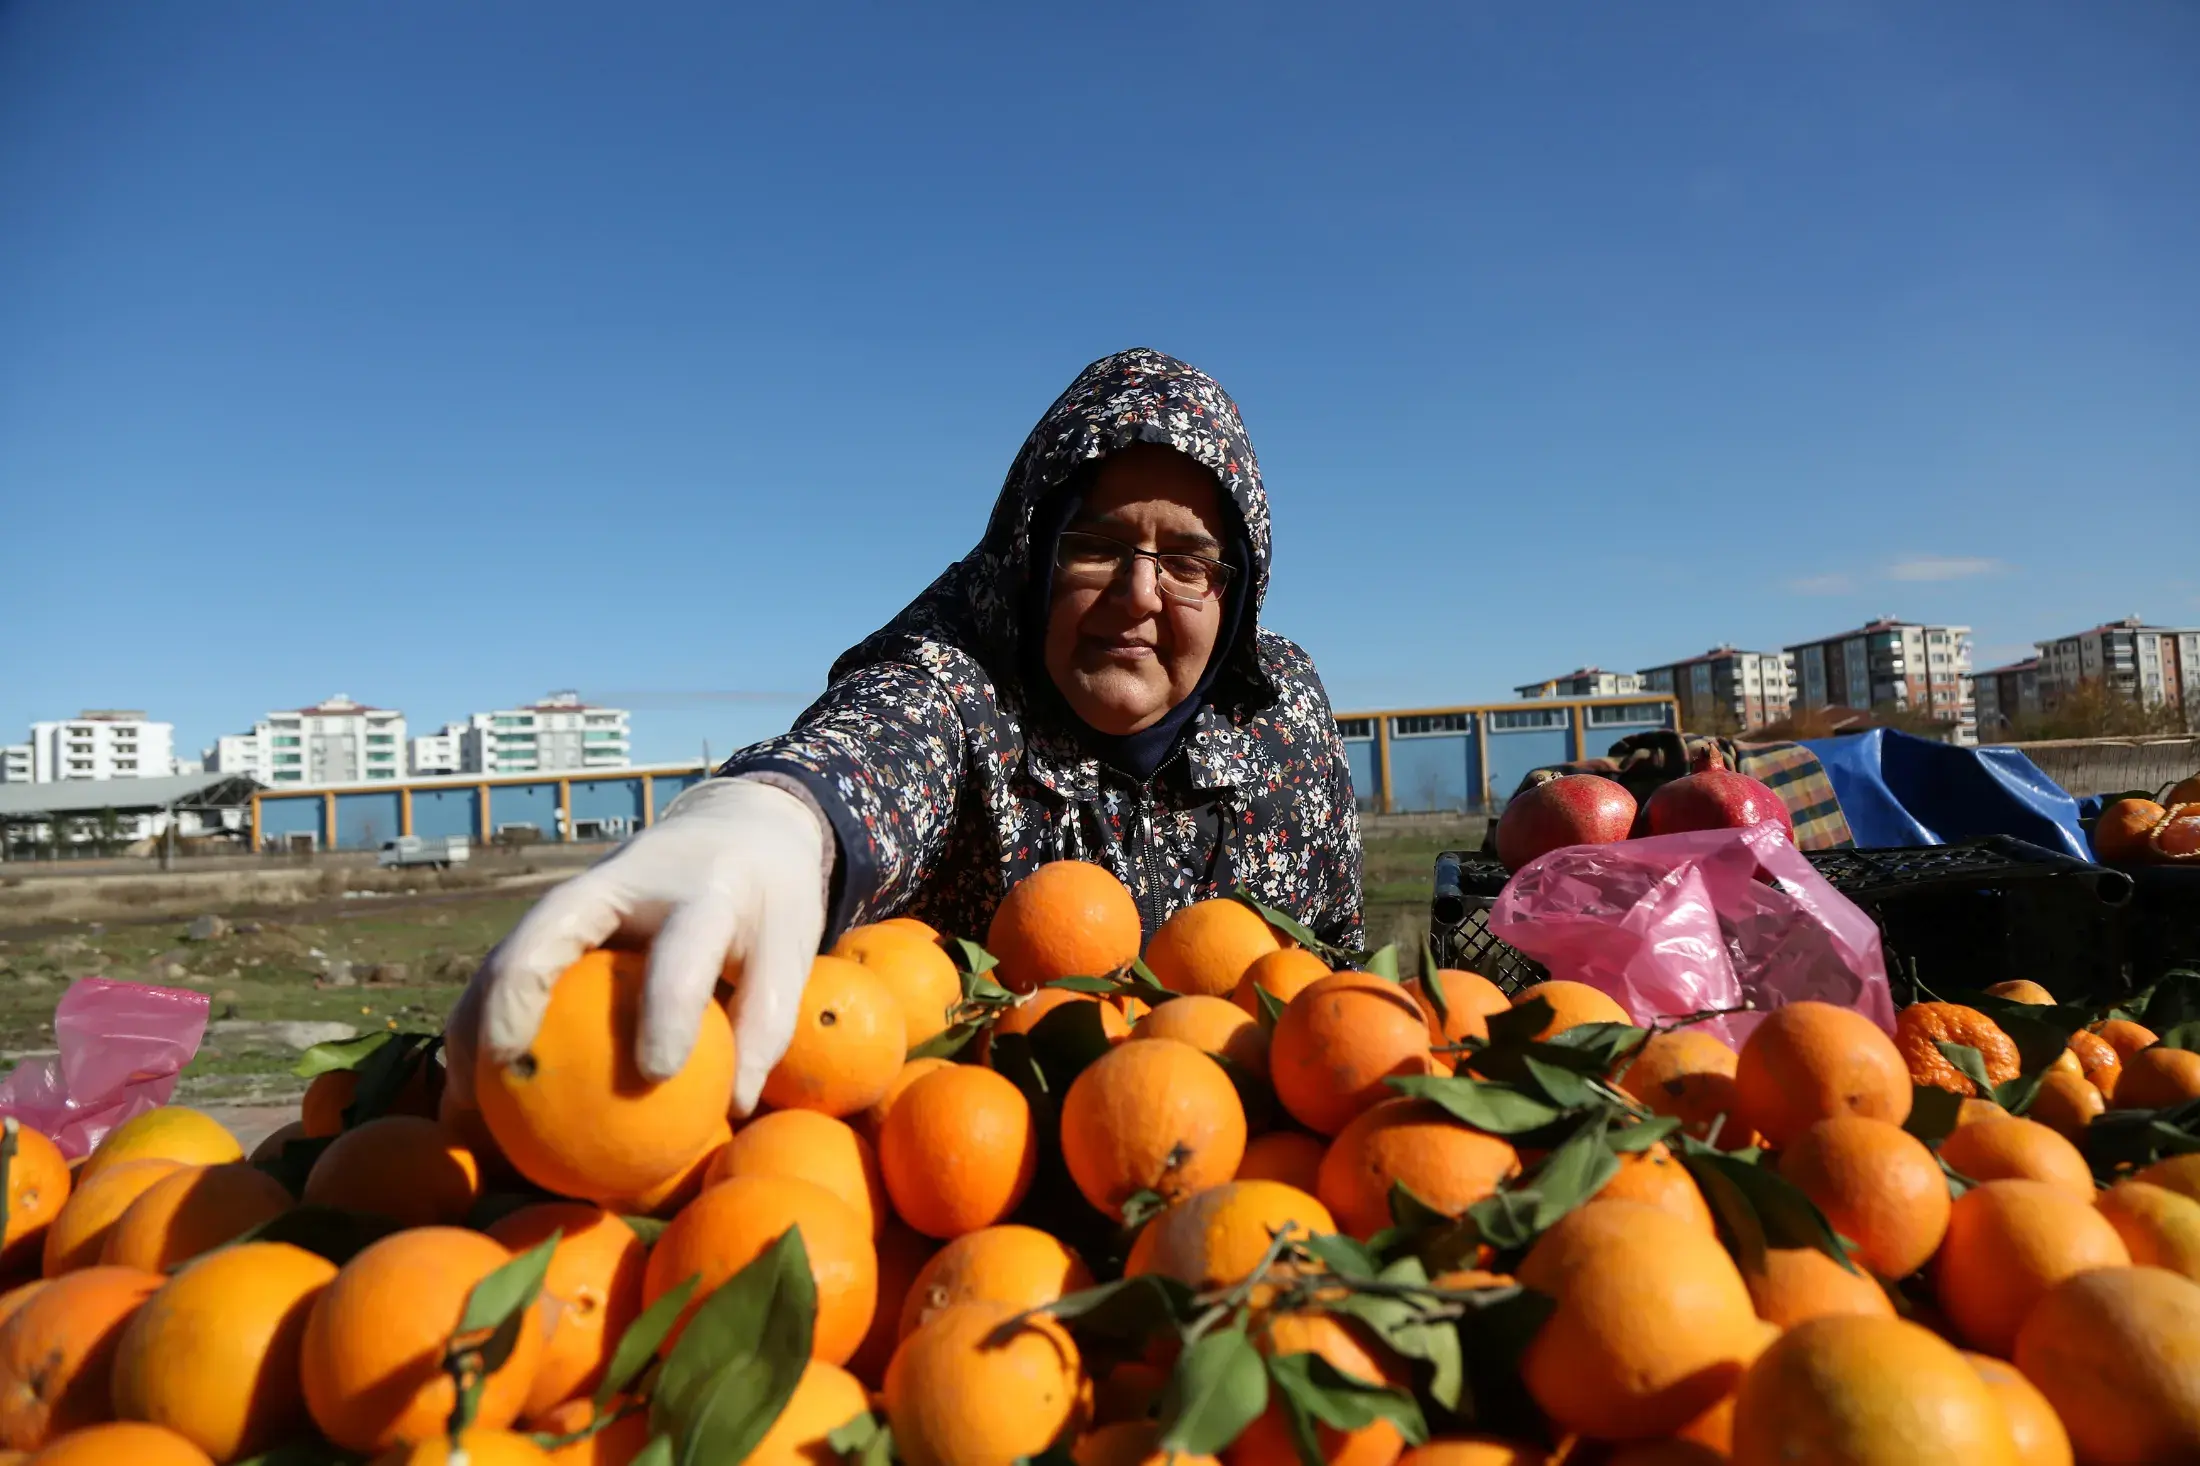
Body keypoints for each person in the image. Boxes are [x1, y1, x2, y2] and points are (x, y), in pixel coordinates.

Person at [448, 348, 1363, 1114]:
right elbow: (884, 737)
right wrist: (781, 820)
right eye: (1096, 546)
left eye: (1189, 561)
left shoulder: (1282, 712)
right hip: (965, 1180)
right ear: (1033, 556)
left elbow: (1333, 972)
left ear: (1236, 590)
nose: (1137, 596)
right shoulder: (959, 673)